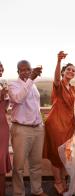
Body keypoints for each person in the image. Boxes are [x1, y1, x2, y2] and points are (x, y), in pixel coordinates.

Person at [8, 60, 47, 196]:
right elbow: (18, 99)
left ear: (31, 70)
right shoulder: (13, 85)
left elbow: (35, 106)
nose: (25, 72)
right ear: (18, 71)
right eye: (22, 70)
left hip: (37, 129)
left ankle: (37, 190)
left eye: (28, 69)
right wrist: (30, 79)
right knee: (18, 167)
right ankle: (18, 193)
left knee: (36, 164)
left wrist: (40, 123)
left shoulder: (33, 85)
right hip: (21, 129)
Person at [43, 51, 75, 195]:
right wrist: (58, 61)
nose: (71, 71)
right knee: (57, 155)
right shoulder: (59, 85)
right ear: (63, 72)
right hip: (56, 124)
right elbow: (56, 79)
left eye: (73, 70)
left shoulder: (74, 89)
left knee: (66, 155)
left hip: (69, 125)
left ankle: (62, 180)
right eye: (68, 69)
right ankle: (58, 182)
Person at [0, 62, 12, 196]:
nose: (1, 70)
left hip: (2, 127)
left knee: (1, 160)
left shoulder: (2, 86)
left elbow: (4, 109)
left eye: (2, 68)